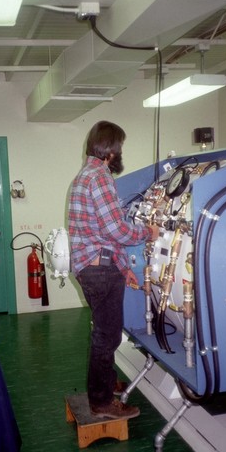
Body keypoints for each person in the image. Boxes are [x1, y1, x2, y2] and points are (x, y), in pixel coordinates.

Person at [68, 120, 159, 420]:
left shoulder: (84, 176)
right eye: (119, 147)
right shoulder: (100, 177)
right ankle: (101, 402)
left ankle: (105, 384)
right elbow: (117, 230)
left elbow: (102, 234)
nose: (121, 153)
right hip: (99, 270)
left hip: (97, 266)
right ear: (110, 149)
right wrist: (148, 233)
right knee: (107, 337)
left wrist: (123, 268)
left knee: (105, 333)